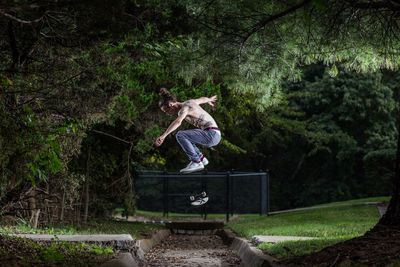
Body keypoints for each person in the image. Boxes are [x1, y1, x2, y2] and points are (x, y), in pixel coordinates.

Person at [154, 88, 221, 173]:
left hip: (211, 134)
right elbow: (202, 99)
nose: (167, 113)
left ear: (171, 104)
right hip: (214, 134)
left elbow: (178, 122)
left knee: (181, 135)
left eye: (166, 110)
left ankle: (196, 162)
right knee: (188, 139)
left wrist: (163, 136)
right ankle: (201, 158)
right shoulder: (190, 102)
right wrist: (209, 99)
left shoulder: (184, 109)